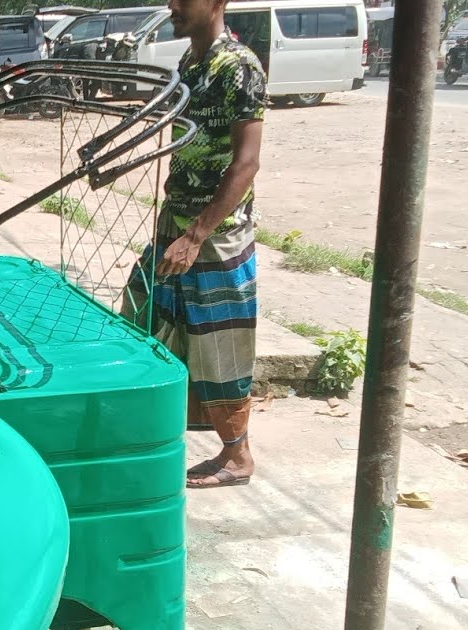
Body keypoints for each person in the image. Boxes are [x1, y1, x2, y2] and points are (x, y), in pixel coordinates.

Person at [122, 0, 265, 489]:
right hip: (175, 223)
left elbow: (245, 164)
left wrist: (197, 233)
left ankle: (237, 456)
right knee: (146, 315)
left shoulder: (239, 67)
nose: (172, 6)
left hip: (215, 235)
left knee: (220, 343)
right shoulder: (191, 63)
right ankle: (161, 427)